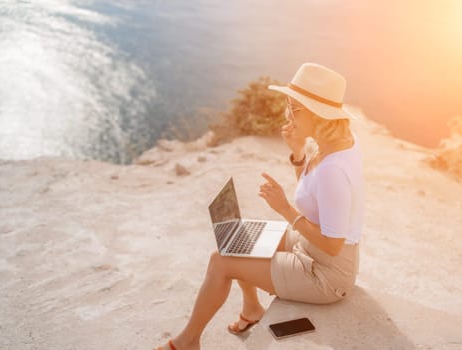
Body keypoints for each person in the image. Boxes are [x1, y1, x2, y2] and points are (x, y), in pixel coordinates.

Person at [154, 62, 364, 350]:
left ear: (317, 114)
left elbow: (333, 245)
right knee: (238, 237)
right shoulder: (331, 143)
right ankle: (252, 309)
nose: (287, 113)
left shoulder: (334, 169)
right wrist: (298, 153)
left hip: (326, 274)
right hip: (311, 246)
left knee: (221, 261)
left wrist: (285, 210)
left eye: (294, 107)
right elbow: (314, 198)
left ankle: (187, 342)